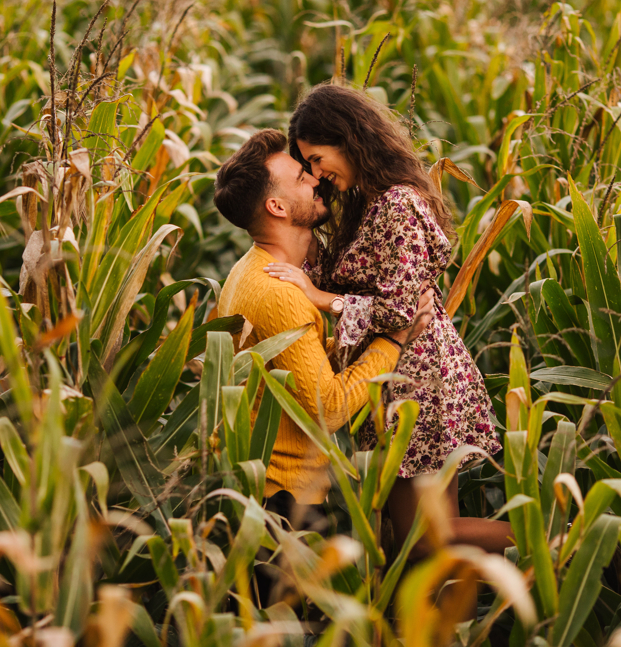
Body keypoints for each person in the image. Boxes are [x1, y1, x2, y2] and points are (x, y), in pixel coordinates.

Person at [264, 82, 513, 557]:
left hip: (420, 381)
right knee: (420, 538)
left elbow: (399, 309)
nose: (316, 175)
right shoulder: (364, 200)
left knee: (427, 537)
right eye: (307, 166)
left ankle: (565, 546)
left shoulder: (398, 203)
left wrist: (321, 298)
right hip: (395, 379)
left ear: (348, 138)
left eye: (318, 159)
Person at [213, 128, 435, 518]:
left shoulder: (249, 269)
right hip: (281, 498)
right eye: (302, 178)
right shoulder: (279, 293)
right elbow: (328, 408)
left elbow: (297, 368)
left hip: (251, 483)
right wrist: (395, 339)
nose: (316, 180)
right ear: (277, 207)